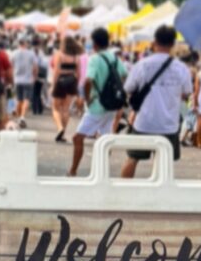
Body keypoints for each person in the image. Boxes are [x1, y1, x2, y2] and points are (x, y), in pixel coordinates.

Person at [122, 25, 192, 178]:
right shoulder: (181, 68)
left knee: (132, 158)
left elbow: (127, 88)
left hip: (144, 122)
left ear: (154, 42)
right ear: (173, 44)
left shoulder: (142, 65)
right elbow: (187, 93)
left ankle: (123, 192)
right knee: (163, 162)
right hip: (169, 124)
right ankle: (157, 195)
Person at [69, 27, 127, 177]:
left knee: (78, 137)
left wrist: (88, 98)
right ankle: (101, 171)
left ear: (94, 43)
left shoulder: (94, 58)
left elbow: (88, 79)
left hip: (97, 106)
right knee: (105, 139)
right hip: (112, 105)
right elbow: (124, 75)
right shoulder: (114, 58)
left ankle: (73, 170)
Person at [50, 35, 81, 142]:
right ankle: (63, 133)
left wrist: (53, 84)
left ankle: (60, 128)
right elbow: (78, 73)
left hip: (60, 81)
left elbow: (56, 71)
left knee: (55, 108)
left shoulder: (60, 54)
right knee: (65, 108)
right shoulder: (76, 57)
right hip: (71, 81)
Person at [11, 37, 37, 128]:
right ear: (26, 44)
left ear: (18, 44)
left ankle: (19, 118)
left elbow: (10, 67)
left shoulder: (14, 53)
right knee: (26, 99)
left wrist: (11, 78)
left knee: (19, 99)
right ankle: (22, 117)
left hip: (17, 79)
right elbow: (35, 67)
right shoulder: (31, 53)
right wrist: (34, 77)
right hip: (28, 80)